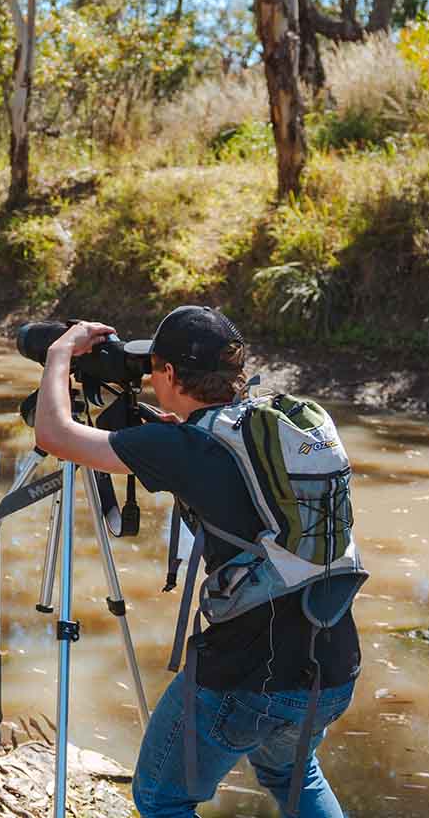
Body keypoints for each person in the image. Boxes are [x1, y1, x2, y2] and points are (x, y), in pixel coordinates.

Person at [29, 307, 361, 818]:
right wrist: (170, 434)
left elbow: (55, 434)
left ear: (166, 375)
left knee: (163, 799)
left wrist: (57, 356)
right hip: (333, 661)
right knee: (291, 773)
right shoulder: (274, 426)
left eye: (153, 367)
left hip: (251, 672)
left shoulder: (184, 445)